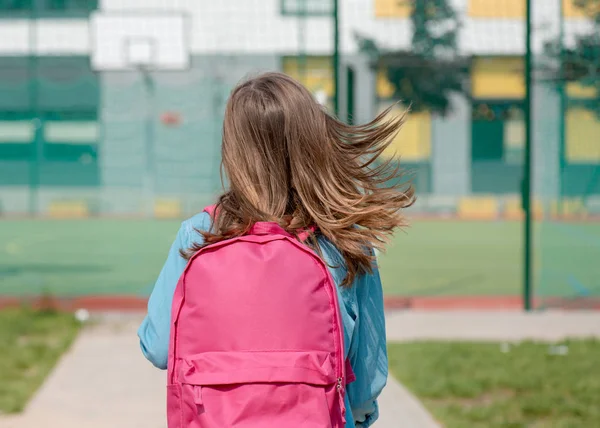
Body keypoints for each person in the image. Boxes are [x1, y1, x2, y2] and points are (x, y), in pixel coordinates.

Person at [138, 72, 414, 427]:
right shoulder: (346, 240)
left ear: (233, 150)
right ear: (311, 142)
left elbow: (159, 348)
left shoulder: (198, 233)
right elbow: (366, 383)